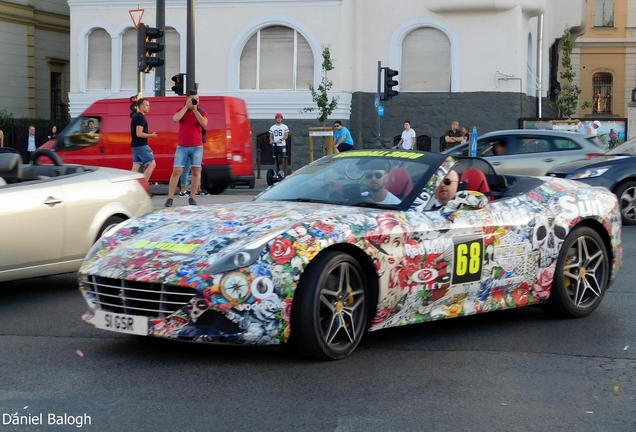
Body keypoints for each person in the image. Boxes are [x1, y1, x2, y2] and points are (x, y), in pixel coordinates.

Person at [165, 89, 208, 208]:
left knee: (195, 171)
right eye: (194, 99)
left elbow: (204, 123)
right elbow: (175, 118)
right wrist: (186, 107)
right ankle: (170, 198)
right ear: (187, 99)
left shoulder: (201, 111)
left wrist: (195, 111)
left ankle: (192, 197)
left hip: (197, 146)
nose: (196, 101)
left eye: (198, 99)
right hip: (182, 146)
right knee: (176, 171)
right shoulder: (181, 110)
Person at [130, 97, 158, 183]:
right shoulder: (140, 118)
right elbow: (139, 133)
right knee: (152, 164)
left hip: (135, 145)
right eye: (146, 105)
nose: (149, 107)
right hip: (141, 145)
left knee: (136, 165)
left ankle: (130, 185)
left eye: (149, 105)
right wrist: (151, 135)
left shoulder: (135, 117)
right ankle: (143, 186)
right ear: (141, 106)